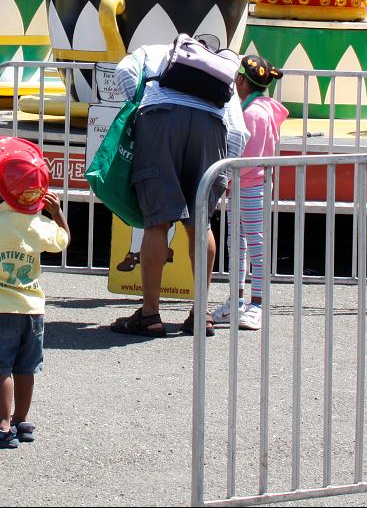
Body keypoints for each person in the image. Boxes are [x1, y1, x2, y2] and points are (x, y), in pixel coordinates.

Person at [108, 38, 248, 338]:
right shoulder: (221, 69)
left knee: (157, 223)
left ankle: (150, 315)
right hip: (211, 127)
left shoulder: (154, 50)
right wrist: (224, 171)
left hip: (160, 122)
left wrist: (142, 105)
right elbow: (238, 129)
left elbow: (122, 71)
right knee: (200, 224)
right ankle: (200, 314)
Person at [0, 137, 70, 449]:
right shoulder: (39, 223)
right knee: (26, 368)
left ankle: (2, 426)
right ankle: (21, 419)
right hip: (33, 308)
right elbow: (63, 240)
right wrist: (58, 213)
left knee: (1, 368)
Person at [212, 55, 287, 331]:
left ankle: (257, 303)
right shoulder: (253, 109)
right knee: (237, 243)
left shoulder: (254, 114)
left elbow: (248, 159)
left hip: (251, 187)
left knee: (254, 244)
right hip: (243, 186)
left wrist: (225, 173)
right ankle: (237, 300)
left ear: (242, 80)